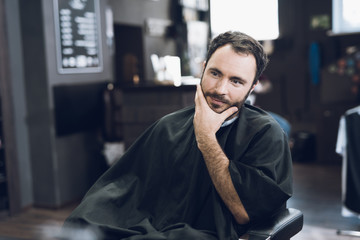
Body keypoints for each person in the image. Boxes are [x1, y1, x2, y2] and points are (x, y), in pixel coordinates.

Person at [62, 31, 293, 240]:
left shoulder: (265, 134)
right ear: (202, 69)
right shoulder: (169, 125)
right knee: (81, 225)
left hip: (208, 233)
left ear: (251, 88)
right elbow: (124, 185)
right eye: (215, 73)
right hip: (154, 225)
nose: (221, 89)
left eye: (236, 81)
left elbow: (243, 212)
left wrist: (206, 138)